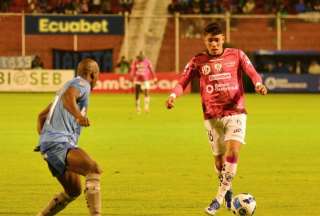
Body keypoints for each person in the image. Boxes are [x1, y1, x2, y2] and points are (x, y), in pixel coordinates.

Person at [165, 22, 267, 216]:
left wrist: (258, 84)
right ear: (205, 40)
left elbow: (252, 72)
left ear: (223, 39)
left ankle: (217, 200)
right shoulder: (198, 60)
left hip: (235, 112)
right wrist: (172, 96)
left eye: (217, 40)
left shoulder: (237, 55)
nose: (214, 44)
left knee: (233, 151)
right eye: (210, 40)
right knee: (220, 163)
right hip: (211, 117)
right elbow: (183, 81)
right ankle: (228, 190)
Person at [35, 58, 102, 216]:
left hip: (51, 145)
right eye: (98, 74)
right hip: (59, 143)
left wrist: (45, 140)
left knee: (73, 191)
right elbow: (68, 98)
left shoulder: (66, 87)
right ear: (92, 74)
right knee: (93, 168)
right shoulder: (82, 84)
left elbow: (41, 116)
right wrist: (78, 116)